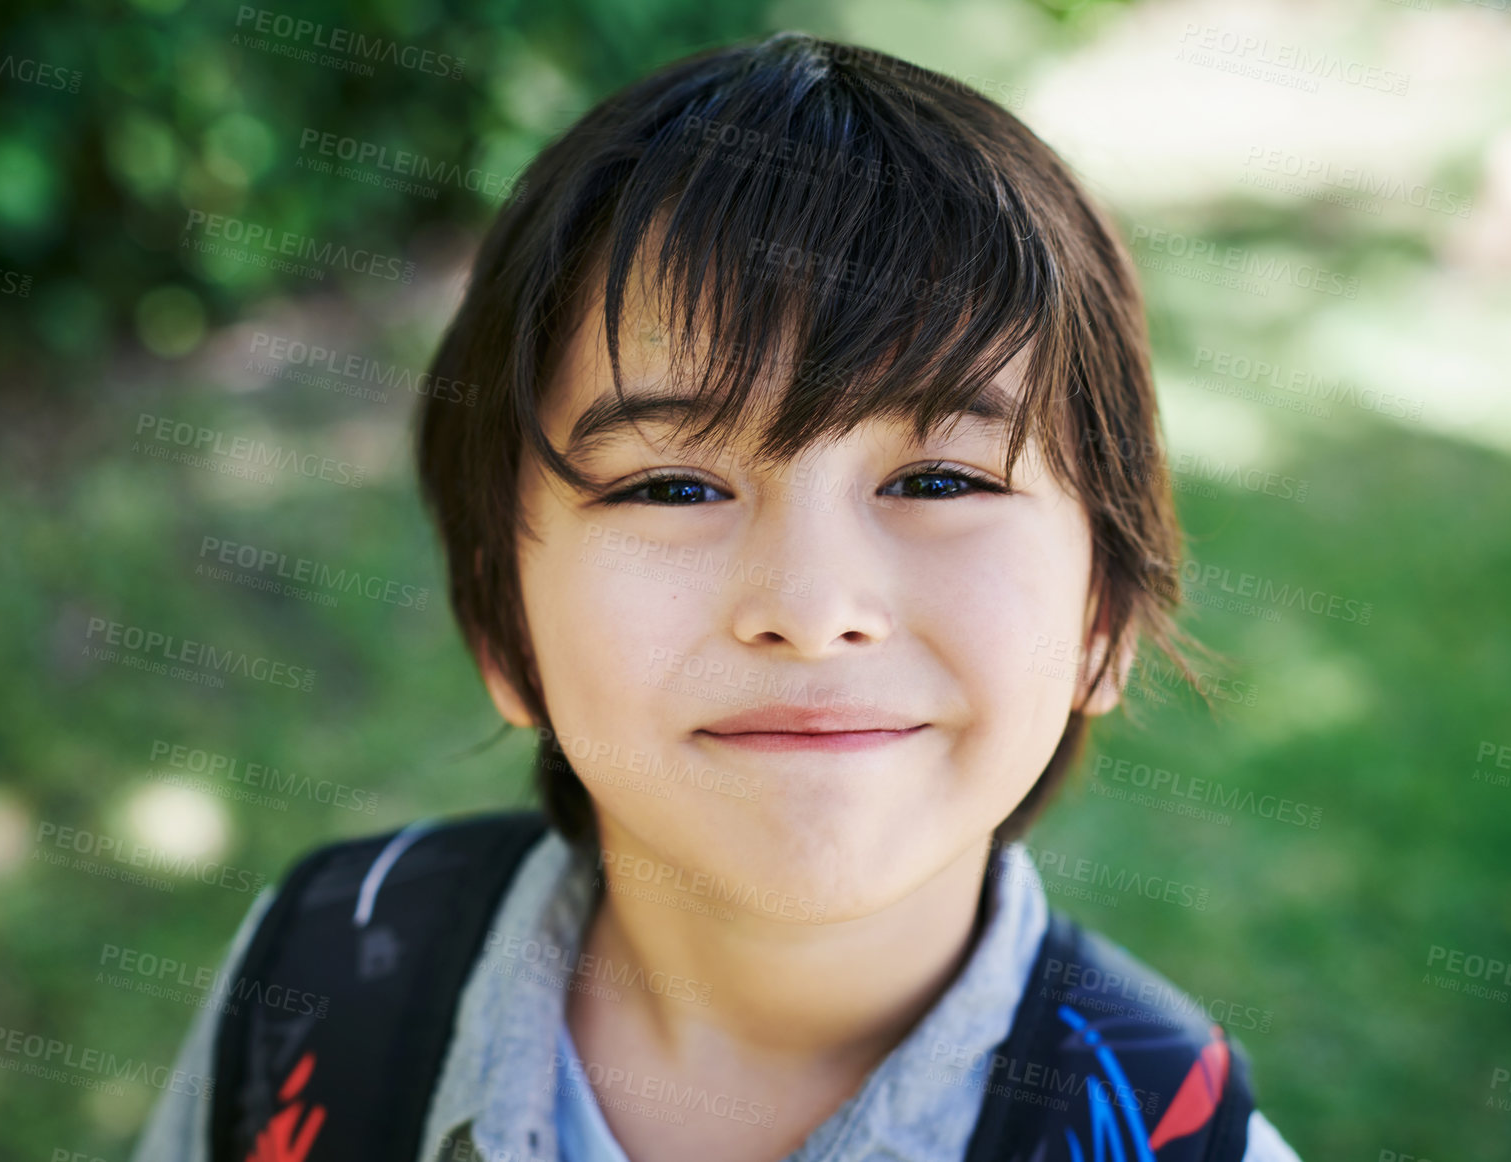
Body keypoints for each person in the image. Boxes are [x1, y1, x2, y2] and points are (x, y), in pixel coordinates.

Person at [133, 30, 1303, 1162]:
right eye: (674, 484)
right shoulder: (329, 976)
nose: (809, 604)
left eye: (940, 478)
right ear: (503, 622)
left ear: (1104, 614)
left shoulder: (1172, 1136)